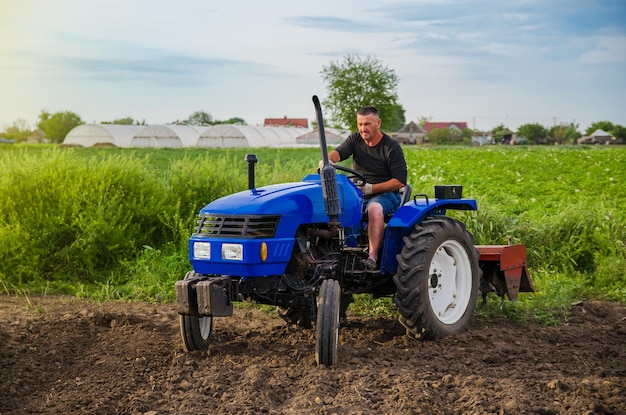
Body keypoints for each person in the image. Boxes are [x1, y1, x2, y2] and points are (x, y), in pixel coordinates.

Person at [327, 106, 407, 270]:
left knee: (374, 209)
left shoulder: (391, 147)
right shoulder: (355, 140)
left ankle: (372, 257)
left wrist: (372, 189)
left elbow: (400, 181)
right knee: (333, 205)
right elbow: (338, 153)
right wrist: (327, 160)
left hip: (386, 195)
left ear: (378, 123)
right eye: (360, 124)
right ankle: (338, 251)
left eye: (368, 124)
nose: (363, 129)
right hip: (358, 192)